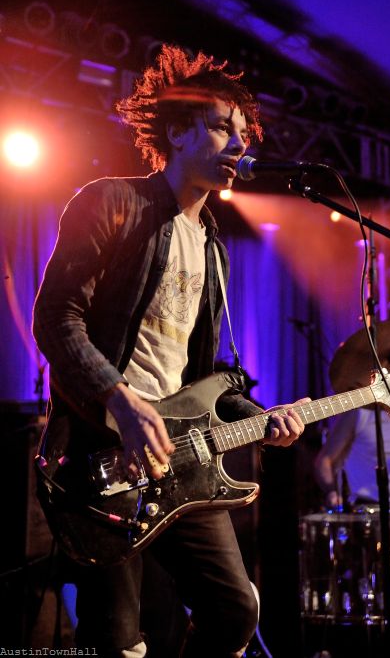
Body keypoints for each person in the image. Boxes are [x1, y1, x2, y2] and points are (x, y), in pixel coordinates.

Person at [32, 44, 308, 658]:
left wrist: (263, 419)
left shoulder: (213, 247)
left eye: (244, 132)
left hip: (180, 458)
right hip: (101, 456)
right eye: (222, 127)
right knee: (116, 642)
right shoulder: (112, 202)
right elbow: (55, 317)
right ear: (178, 132)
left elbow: (208, 378)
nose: (240, 143)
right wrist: (121, 401)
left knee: (235, 612)